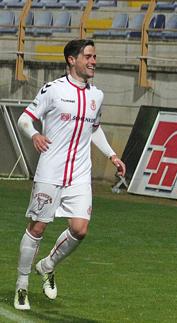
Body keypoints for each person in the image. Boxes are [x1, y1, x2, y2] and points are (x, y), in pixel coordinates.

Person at [13, 39, 126, 310]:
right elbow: (24, 119)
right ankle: (22, 286)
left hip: (79, 174)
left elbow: (94, 128)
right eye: (88, 56)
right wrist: (35, 134)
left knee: (80, 229)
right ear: (71, 60)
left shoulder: (96, 95)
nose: (93, 61)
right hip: (50, 171)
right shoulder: (53, 90)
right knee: (38, 227)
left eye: (94, 56)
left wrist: (112, 155)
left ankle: (47, 265)